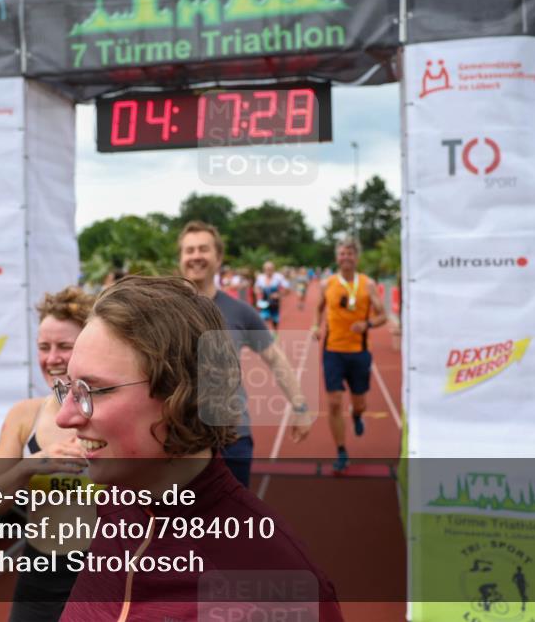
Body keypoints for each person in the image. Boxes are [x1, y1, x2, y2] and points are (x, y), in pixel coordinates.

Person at [55, 276, 343, 621]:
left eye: (95, 391)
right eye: (69, 387)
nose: (64, 416)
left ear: (182, 392)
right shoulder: (116, 500)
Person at [0, 287, 95, 622]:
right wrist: (30, 466)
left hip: (105, 573)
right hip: (40, 574)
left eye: (64, 347)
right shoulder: (24, 415)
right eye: (44, 347)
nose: (52, 358)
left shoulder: (111, 418)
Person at [178, 222, 310, 486]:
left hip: (232, 439)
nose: (195, 256)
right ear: (181, 258)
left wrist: (300, 406)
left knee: (233, 523)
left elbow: (275, 358)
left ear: (219, 257)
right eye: (189, 250)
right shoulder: (164, 311)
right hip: (178, 440)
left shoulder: (240, 311)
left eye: (203, 249)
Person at [312, 238, 388, 473]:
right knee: (334, 403)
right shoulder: (327, 284)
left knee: (360, 403)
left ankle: (357, 416)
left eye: (350, 254)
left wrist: (367, 324)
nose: (346, 257)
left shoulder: (368, 285)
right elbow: (318, 307)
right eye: (342, 253)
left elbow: (383, 316)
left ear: (356, 258)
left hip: (359, 352)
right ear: (337, 257)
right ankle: (342, 451)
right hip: (333, 350)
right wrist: (316, 326)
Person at [255, 260, 289, 332]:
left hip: (274, 303)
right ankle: (266, 336)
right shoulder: (260, 277)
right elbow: (256, 288)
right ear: (264, 269)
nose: (268, 270)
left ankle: (275, 334)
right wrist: (258, 292)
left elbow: (287, 288)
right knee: (263, 319)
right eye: (267, 269)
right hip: (264, 302)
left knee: (275, 321)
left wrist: (279, 294)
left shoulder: (279, 277)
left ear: (273, 269)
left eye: (270, 268)